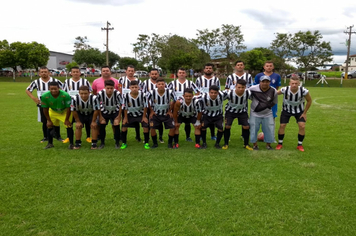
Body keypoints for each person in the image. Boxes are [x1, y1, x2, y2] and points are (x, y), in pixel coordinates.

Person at [26, 66, 64, 143]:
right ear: (39, 73)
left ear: (49, 73)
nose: (44, 73)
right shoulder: (36, 82)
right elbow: (28, 90)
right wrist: (34, 99)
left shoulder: (55, 80)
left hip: (55, 104)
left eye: (45, 72)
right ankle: (45, 137)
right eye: (42, 72)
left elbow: (64, 88)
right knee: (45, 121)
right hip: (42, 104)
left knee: (56, 120)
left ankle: (58, 136)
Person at [275, 75, 312, 152]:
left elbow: (309, 101)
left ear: (299, 83)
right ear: (289, 83)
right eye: (292, 83)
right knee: (282, 125)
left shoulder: (304, 91)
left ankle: (300, 145)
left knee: (302, 126)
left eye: (296, 83)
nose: (294, 85)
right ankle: (280, 143)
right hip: (286, 110)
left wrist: (304, 113)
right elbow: (275, 93)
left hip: (299, 111)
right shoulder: (285, 89)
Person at [168, 68, 199, 143]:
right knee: (175, 122)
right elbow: (167, 93)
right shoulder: (172, 83)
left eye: (183, 73)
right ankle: (173, 139)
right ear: (177, 74)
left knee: (188, 121)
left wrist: (193, 99)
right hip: (177, 105)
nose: (181, 74)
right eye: (180, 72)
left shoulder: (190, 83)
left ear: (185, 74)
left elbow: (197, 92)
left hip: (188, 105)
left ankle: (188, 136)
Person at [63, 66, 92, 144]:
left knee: (86, 122)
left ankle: (88, 137)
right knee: (70, 121)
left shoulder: (85, 81)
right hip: (70, 105)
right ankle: (69, 137)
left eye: (77, 72)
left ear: (80, 73)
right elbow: (64, 93)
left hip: (83, 105)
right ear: (71, 73)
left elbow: (90, 92)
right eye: (74, 72)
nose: (75, 73)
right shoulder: (67, 82)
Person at [40, 81, 74, 149]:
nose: (53, 90)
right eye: (51, 89)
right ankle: (50, 143)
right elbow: (45, 109)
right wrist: (48, 120)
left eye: (55, 89)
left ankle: (71, 144)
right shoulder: (44, 96)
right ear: (49, 89)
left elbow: (69, 108)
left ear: (59, 88)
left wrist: (67, 119)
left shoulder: (65, 95)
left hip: (64, 111)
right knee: (49, 126)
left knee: (68, 125)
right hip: (53, 111)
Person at [222, 79, 253, 151]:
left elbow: (254, 99)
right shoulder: (229, 93)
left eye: (242, 87)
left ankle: (246, 144)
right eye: (239, 87)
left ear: (245, 87)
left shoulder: (248, 93)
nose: (241, 89)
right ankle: (226, 144)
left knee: (246, 127)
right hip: (230, 111)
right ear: (235, 86)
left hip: (242, 111)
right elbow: (220, 97)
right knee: (227, 126)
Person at [249, 75, 278, 150]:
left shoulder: (273, 90)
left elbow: (275, 101)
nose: (265, 83)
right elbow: (247, 95)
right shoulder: (252, 89)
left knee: (269, 128)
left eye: (267, 82)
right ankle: (255, 145)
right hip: (255, 113)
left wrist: (267, 106)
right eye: (263, 81)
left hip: (268, 113)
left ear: (269, 82)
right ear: (260, 82)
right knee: (254, 129)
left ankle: (268, 145)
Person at [147, 78, 176, 148]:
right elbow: (146, 100)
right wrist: (151, 111)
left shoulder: (170, 91)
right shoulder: (151, 92)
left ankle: (169, 143)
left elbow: (175, 99)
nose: (161, 85)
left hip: (166, 113)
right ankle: (155, 143)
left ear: (165, 85)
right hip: (156, 114)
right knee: (152, 127)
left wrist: (170, 110)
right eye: (159, 84)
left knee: (173, 127)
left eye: (162, 84)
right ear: (156, 85)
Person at [120, 80, 150, 149]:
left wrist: (144, 117)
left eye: (136, 87)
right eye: (132, 87)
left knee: (145, 126)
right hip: (130, 114)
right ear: (129, 88)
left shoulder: (143, 94)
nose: (134, 89)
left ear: (138, 87)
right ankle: (124, 143)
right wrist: (125, 118)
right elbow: (125, 108)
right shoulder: (125, 96)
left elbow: (145, 106)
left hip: (141, 114)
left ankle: (146, 143)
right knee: (124, 126)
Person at [195, 63, 220, 141]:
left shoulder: (216, 79)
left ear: (212, 69)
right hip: (202, 101)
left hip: (212, 101)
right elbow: (197, 91)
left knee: (212, 117)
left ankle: (213, 135)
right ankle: (202, 135)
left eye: (210, 68)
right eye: (207, 68)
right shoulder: (199, 79)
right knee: (202, 117)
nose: (208, 69)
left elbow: (218, 90)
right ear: (204, 69)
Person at [118, 65, 143, 143]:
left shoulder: (138, 81)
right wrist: (122, 102)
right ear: (126, 71)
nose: (130, 72)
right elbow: (119, 90)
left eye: (132, 71)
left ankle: (138, 136)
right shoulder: (121, 79)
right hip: (125, 103)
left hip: (136, 104)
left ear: (134, 72)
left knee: (136, 121)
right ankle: (122, 137)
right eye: (129, 70)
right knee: (125, 119)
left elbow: (140, 92)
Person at [141, 68, 165, 143]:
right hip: (148, 106)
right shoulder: (145, 83)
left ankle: (160, 137)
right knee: (148, 122)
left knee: (160, 122)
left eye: (156, 74)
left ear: (158, 74)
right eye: (152, 74)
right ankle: (147, 138)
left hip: (159, 105)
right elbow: (143, 94)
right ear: (149, 74)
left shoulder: (162, 83)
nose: (154, 75)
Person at [97, 80, 122, 149]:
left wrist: (119, 116)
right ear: (104, 88)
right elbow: (97, 105)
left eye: (111, 88)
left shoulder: (117, 93)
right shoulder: (100, 93)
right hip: (104, 111)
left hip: (115, 111)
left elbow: (121, 104)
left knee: (116, 124)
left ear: (114, 88)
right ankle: (102, 143)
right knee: (102, 124)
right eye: (108, 88)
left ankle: (117, 142)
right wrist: (100, 116)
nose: (110, 90)